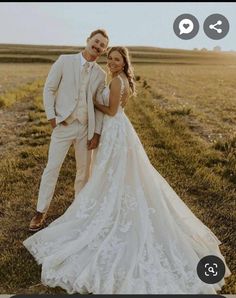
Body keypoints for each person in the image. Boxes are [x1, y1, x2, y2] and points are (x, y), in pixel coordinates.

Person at [23, 47, 231, 294]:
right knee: (115, 174)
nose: (111, 62)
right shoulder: (121, 81)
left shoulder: (115, 83)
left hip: (115, 129)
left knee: (109, 173)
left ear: (123, 63)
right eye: (109, 58)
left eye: (116, 60)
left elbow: (111, 111)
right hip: (119, 129)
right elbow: (117, 110)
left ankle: (110, 209)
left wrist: (92, 101)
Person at [29, 29, 109, 231]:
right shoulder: (65, 61)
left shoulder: (101, 74)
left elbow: (99, 105)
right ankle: (40, 211)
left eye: (102, 46)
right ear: (88, 39)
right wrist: (51, 117)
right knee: (52, 168)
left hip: (85, 128)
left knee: (84, 172)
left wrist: (96, 132)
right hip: (63, 125)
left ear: (103, 51)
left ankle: (79, 212)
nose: (97, 46)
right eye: (96, 41)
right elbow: (49, 89)